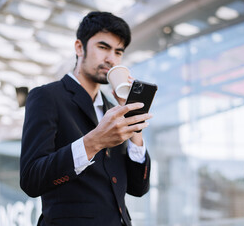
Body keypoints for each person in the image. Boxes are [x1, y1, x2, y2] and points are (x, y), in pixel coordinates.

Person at [20, 11, 152, 226]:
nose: (111, 58)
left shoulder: (114, 109)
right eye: (103, 47)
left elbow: (138, 188)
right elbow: (31, 179)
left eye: (118, 52)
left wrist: (134, 123)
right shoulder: (47, 96)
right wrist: (94, 142)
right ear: (79, 47)